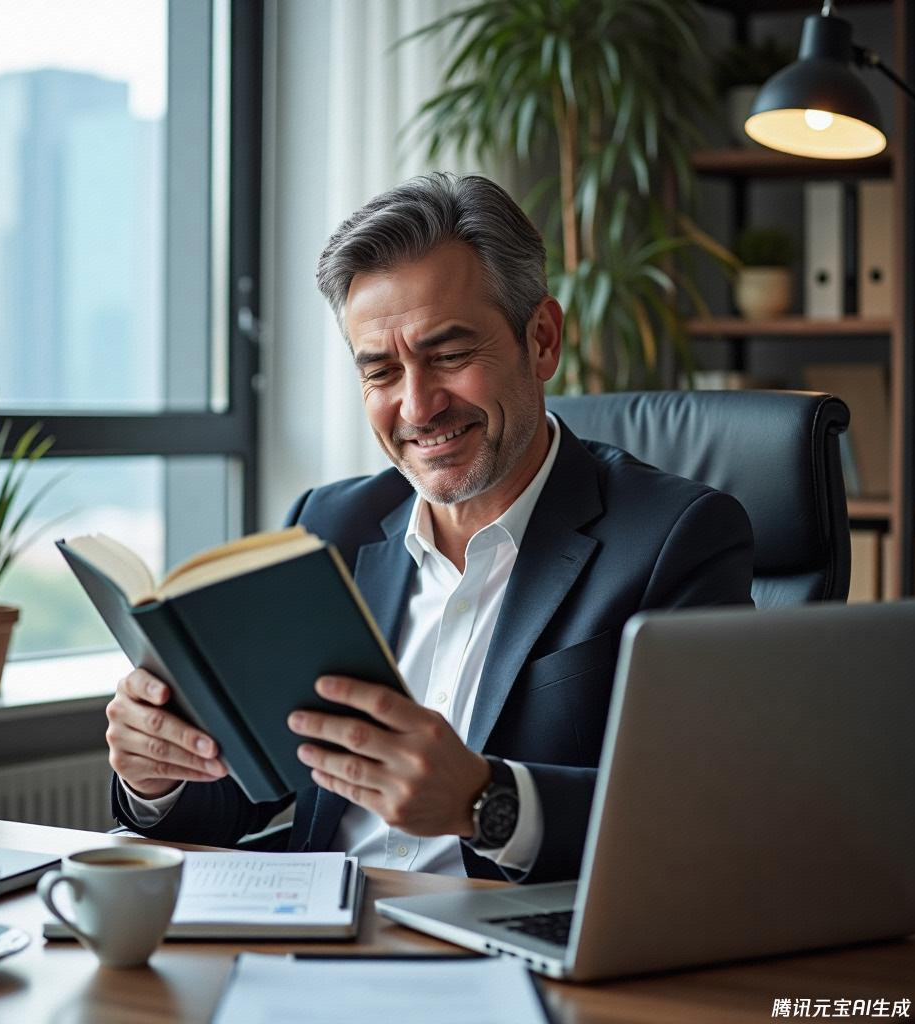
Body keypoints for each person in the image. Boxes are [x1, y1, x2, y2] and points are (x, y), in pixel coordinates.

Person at [105, 172, 753, 884]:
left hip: (518, 956)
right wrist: (158, 773)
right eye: (381, 371)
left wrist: (485, 802)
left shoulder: (677, 538)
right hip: (317, 944)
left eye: (448, 356)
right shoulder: (328, 527)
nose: (417, 407)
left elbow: (705, 816)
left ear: (541, 339)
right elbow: (241, 801)